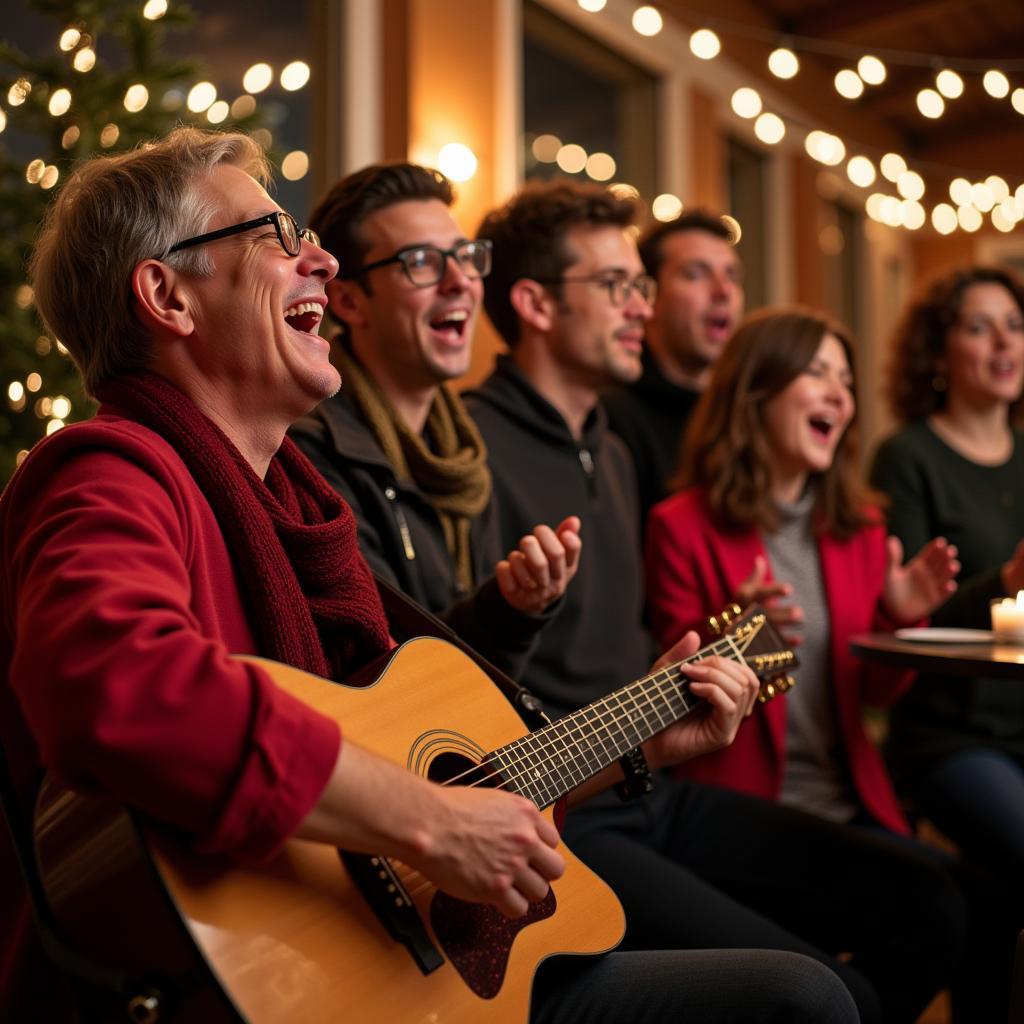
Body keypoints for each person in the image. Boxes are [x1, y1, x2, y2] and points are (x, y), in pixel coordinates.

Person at [0, 128, 857, 1024]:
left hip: (386, 962)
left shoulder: (298, 512)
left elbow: (420, 787)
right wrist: (430, 821)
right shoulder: (105, 470)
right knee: (801, 1001)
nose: (322, 261)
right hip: (245, 989)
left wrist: (636, 746)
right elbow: (115, 686)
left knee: (803, 993)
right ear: (166, 295)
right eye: (274, 237)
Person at [467, 180, 967, 1024]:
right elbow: (450, 667)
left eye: (641, 285)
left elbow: (663, 658)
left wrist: (758, 643)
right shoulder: (475, 447)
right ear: (535, 304)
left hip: (653, 783)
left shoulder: (614, 453)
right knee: (835, 996)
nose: (643, 307)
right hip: (565, 809)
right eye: (621, 287)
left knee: (938, 908)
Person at [645, 307, 960, 835]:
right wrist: (732, 629)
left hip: (849, 801)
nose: (841, 396)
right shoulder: (678, 525)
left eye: (846, 380)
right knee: (938, 908)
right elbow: (668, 699)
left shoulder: (861, 526)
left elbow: (875, 695)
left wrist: (897, 620)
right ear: (755, 392)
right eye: (817, 373)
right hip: (741, 813)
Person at [290, 162, 580, 682]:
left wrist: (516, 609)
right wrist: (506, 609)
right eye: (422, 261)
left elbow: (489, 686)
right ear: (350, 302)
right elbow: (386, 679)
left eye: (466, 258)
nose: (460, 282)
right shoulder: (315, 457)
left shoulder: (462, 455)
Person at [870, 266, 1024, 1003]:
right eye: (978, 325)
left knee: (995, 901)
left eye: (1015, 324)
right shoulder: (908, 458)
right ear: (938, 354)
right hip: (951, 738)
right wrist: (1002, 585)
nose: (1004, 340)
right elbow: (905, 618)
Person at [602, 209, 743, 523]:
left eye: (732, 275)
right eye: (696, 274)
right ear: (648, 296)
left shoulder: (742, 412)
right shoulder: (612, 416)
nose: (724, 291)